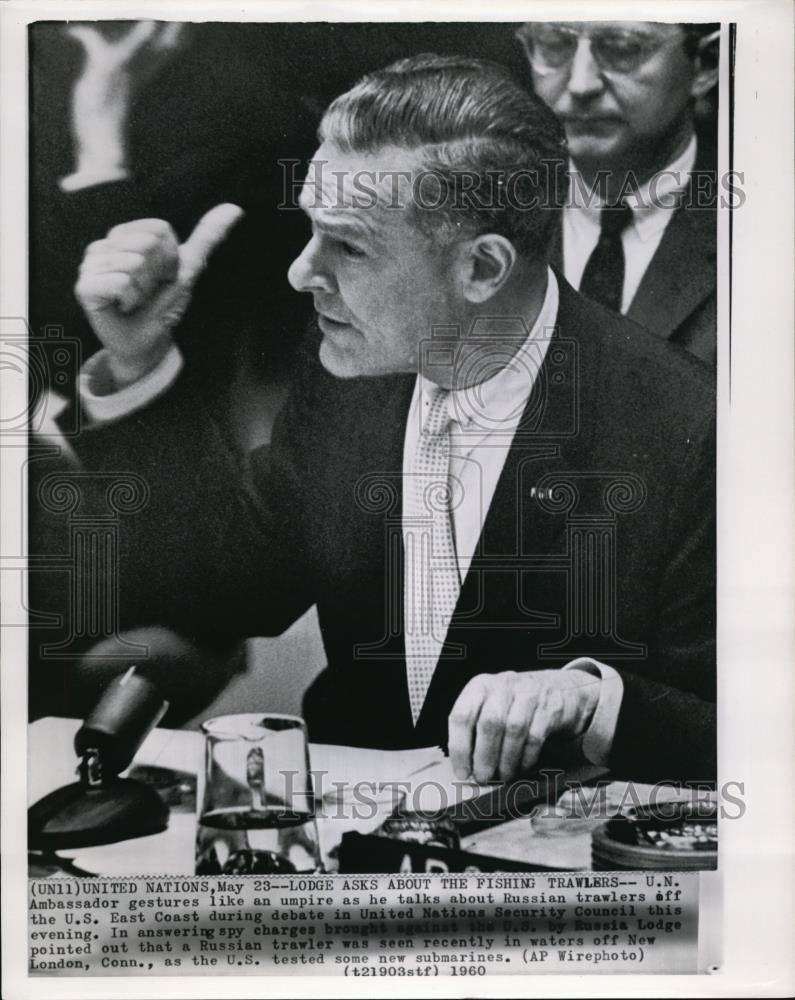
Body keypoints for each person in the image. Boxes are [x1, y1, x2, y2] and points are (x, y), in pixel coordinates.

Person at [65, 55, 715, 785]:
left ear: (482, 269)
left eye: (347, 245)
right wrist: (137, 365)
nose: (300, 272)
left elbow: (740, 734)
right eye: (311, 230)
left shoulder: (686, 428)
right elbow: (224, 586)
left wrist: (594, 700)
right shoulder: (349, 370)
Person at [517, 20, 720, 364]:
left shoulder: (765, 230)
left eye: (623, 48)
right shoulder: (489, 211)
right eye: (555, 44)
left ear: (705, 64)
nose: (582, 84)